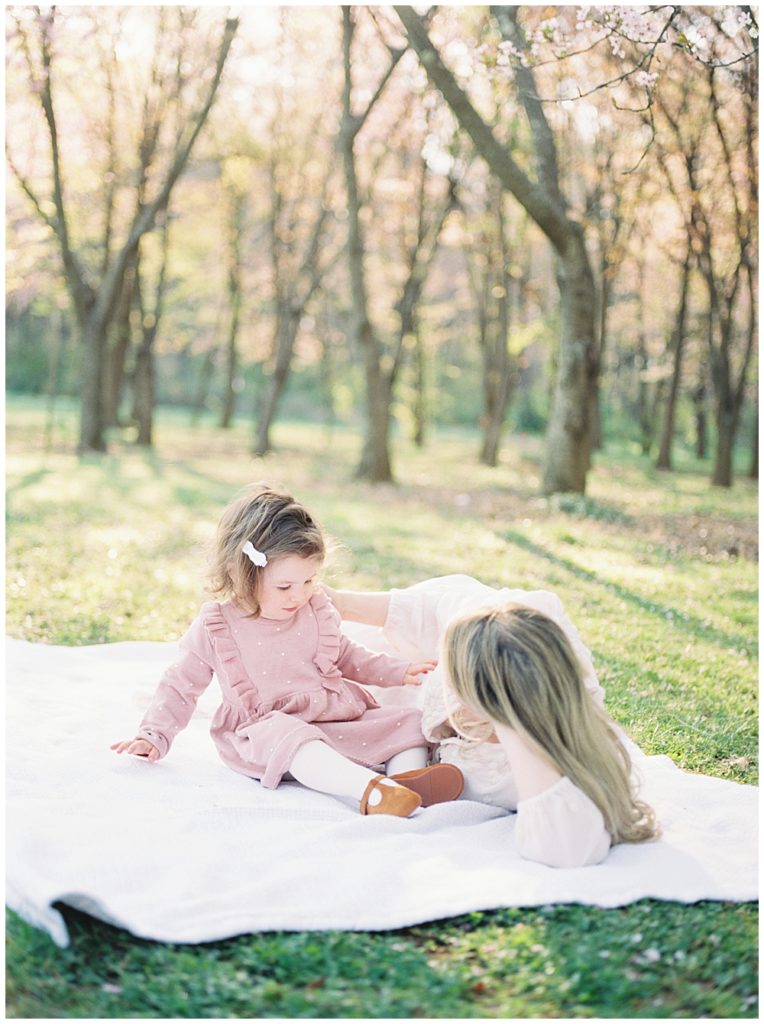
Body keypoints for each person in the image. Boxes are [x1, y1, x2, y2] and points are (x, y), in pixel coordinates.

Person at [112, 486, 464, 818]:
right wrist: (153, 735)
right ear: (239, 573)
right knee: (294, 736)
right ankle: (369, 791)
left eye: (309, 581)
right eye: (284, 586)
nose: (299, 595)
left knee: (405, 722)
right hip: (265, 733)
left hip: (332, 720)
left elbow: (344, 655)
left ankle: (406, 784)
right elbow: (180, 685)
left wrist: (397, 671)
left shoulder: (313, 607)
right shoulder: (217, 626)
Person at [324, 575, 659, 867]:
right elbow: (429, 606)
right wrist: (339, 603)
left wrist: (511, 728)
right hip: (381, 661)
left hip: (389, 709)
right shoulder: (503, 624)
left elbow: (565, 849)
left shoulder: (535, 762)